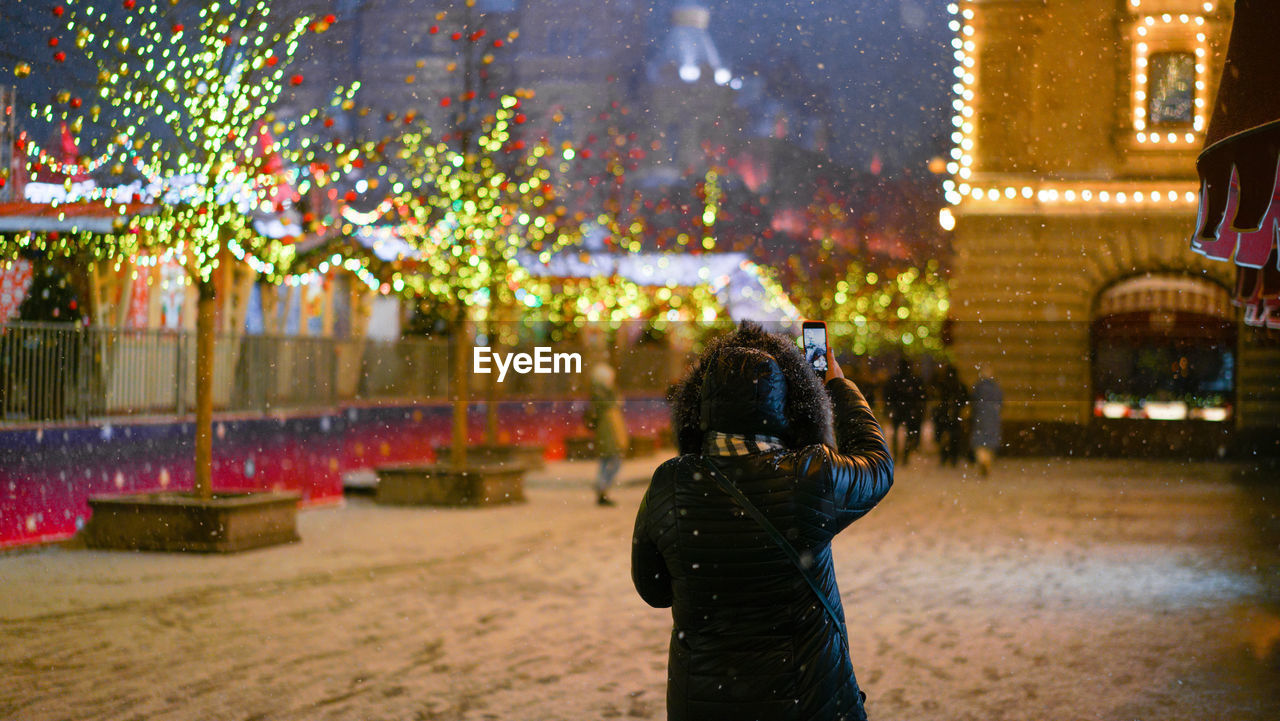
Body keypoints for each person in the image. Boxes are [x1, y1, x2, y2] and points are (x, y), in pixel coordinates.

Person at [632, 323, 893, 721]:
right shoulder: (810, 476)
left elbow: (654, 590)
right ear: (788, 404)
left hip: (705, 700)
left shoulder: (672, 482)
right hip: (805, 699)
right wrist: (837, 386)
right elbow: (877, 465)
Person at [584, 362, 628, 506]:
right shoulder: (605, 396)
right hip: (609, 434)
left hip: (609, 434)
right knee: (612, 461)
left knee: (608, 461)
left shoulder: (605, 396)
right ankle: (602, 487)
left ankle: (602, 488)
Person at [882, 357, 926, 465]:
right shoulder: (914, 380)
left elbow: (887, 395)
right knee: (907, 433)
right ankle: (904, 455)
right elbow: (920, 396)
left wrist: (889, 407)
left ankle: (898, 455)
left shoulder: (894, 380)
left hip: (898, 409)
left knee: (896, 433)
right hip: (909, 410)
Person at [969, 365, 1003, 476]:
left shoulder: (978, 387)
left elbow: (973, 401)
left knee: (980, 441)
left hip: (980, 416)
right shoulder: (996, 388)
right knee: (990, 441)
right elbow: (1000, 402)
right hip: (993, 417)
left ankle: (982, 459)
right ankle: (987, 461)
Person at [933, 363, 970, 467]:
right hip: (955, 414)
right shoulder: (959, 385)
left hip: (944, 414)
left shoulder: (943, 384)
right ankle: (953, 458)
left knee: (944, 436)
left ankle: (944, 457)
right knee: (954, 436)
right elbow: (965, 399)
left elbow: (937, 397)